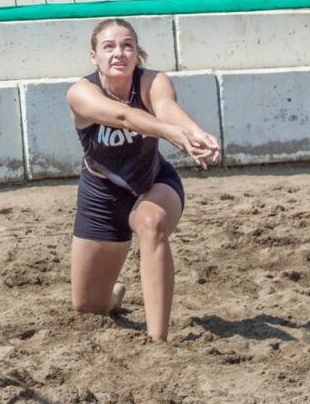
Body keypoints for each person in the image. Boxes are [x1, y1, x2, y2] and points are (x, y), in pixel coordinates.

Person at [67, 18, 221, 341]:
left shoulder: (152, 81)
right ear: (94, 56)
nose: (118, 53)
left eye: (127, 46)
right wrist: (170, 133)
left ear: (137, 53)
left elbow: (166, 107)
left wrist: (193, 131)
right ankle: (112, 294)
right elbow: (123, 116)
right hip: (101, 193)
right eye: (108, 47)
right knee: (87, 305)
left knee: (149, 223)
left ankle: (158, 341)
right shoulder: (81, 93)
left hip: (152, 181)